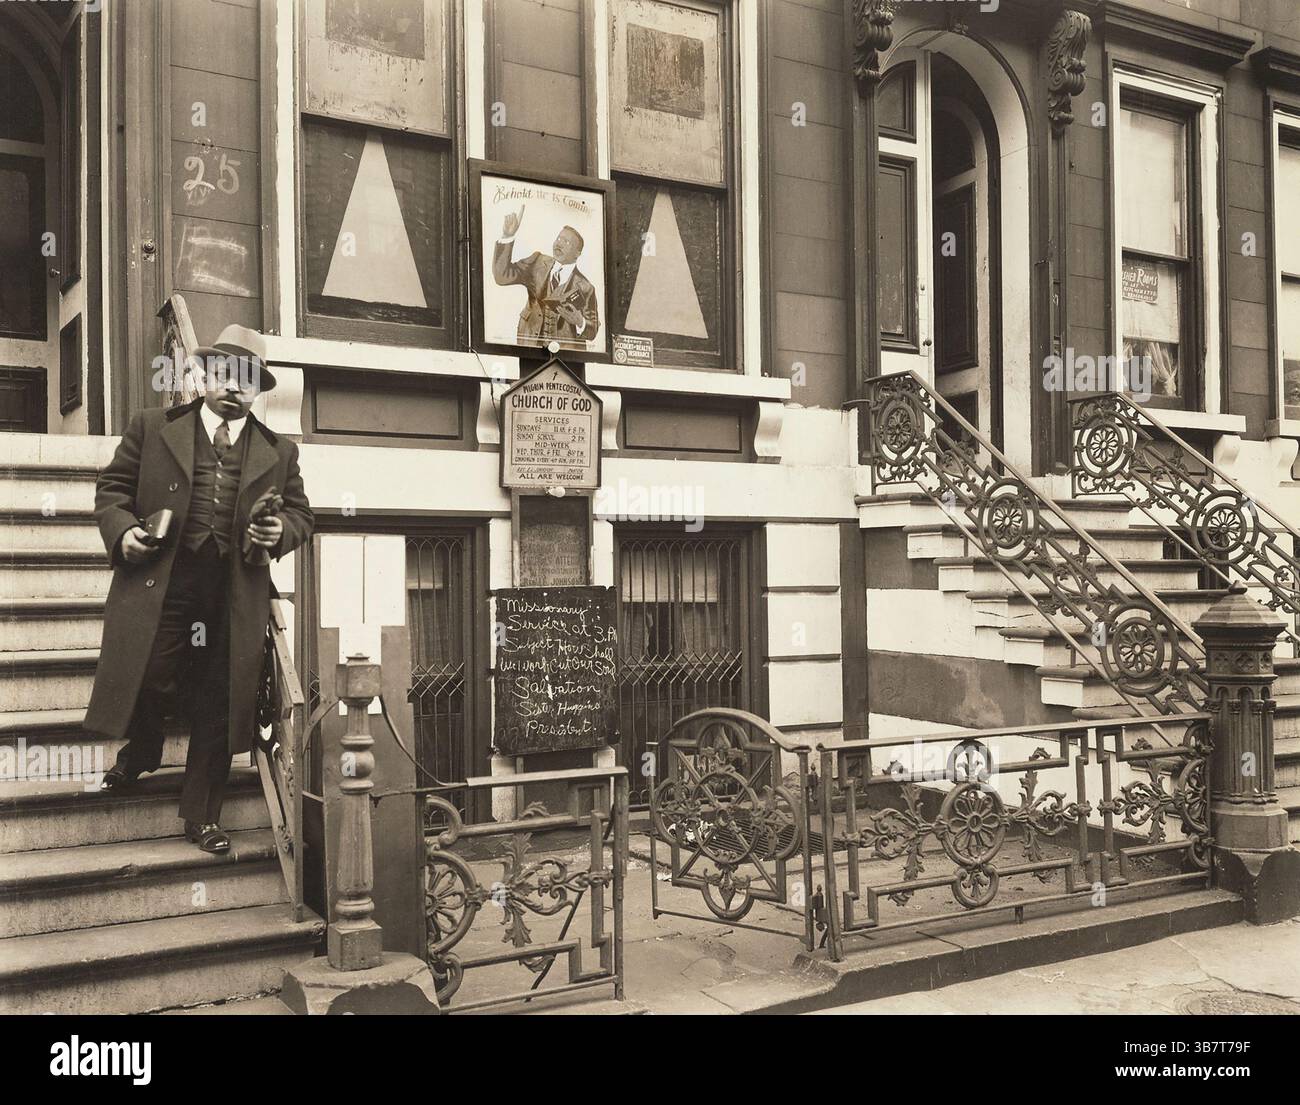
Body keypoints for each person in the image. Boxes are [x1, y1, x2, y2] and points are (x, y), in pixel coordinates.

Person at [85, 340, 314, 854]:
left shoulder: (279, 451)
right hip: (163, 581)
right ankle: (142, 747)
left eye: (247, 381)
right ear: (202, 379)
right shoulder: (151, 426)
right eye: (225, 376)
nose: (235, 387)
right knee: (149, 673)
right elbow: (113, 489)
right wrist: (122, 532)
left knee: (218, 696)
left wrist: (278, 532)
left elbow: (303, 516)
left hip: (232, 592)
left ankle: (202, 814)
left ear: (257, 393)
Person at [492, 206, 600, 348]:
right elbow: (501, 276)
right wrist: (507, 237)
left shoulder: (586, 287)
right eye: (559, 238)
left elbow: (593, 331)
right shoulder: (537, 262)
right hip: (529, 346)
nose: (559, 243)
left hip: (565, 358)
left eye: (567, 242)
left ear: (577, 253)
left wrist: (580, 322)